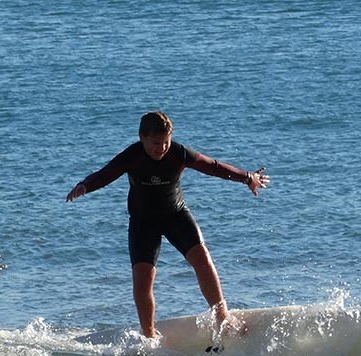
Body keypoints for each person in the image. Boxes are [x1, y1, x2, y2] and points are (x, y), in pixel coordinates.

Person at [66, 111, 270, 338]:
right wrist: (85, 185)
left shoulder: (178, 153)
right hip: (143, 223)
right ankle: (149, 335)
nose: (161, 148)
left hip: (175, 214)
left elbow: (212, 166)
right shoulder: (131, 156)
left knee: (202, 258)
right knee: (143, 277)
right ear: (141, 137)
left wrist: (247, 177)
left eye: (165, 142)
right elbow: (105, 174)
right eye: (156, 143)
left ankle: (223, 316)